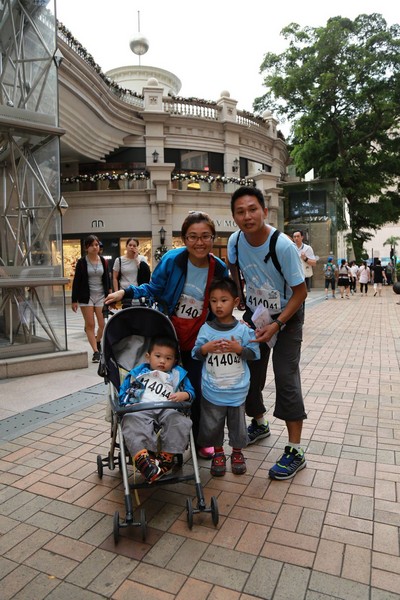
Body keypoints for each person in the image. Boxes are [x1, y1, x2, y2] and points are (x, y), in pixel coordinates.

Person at [105, 211, 229, 459]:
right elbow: (153, 289)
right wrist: (125, 293)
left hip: (199, 338)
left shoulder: (219, 268)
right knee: (164, 386)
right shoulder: (173, 261)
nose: (199, 242)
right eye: (192, 236)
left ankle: (200, 440)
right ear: (184, 239)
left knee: (198, 390)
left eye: (205, 236)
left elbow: (222, 301)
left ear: (213, 238)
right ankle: (154, 439)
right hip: (170, 334)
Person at [227, 186, 308, 481]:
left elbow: (301, 292)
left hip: (287, 316)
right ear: (234, 216)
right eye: (240, 211)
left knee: (285, 376)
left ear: (264, 211)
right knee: (249, 371)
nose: (247, 216)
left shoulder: (283, 246)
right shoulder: (235, 241)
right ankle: (259, 423)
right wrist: (238, 292)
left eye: (252, 209)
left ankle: (295, 450)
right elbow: (233, 265)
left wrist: (278, 324)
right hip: (256, 314)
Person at [192, 277, 260, 477]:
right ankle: (218, 453)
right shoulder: (206, 329)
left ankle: (237, 453)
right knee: (213, 425)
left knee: (237, 426)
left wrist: (240, 349)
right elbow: (195, 353)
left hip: (237, 390)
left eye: (224, 300)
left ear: (236, 301)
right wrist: (205, 348)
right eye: (213, 301)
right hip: (212, 390)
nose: (218, 305)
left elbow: (255, 353)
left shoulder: (243, 330)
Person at [119, 336, 194, 483]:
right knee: (130, 421)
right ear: (148, 357)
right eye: (158, 356)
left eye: (168, 358)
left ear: (174, 361)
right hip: (141, 408)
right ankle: (143, 460)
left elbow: (191, 391)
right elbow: (124, 392)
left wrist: (184, 395)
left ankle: (166, 459)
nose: (162, 361)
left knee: (180, 421)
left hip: (168, 408)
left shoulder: (177, 374)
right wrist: (127, 402)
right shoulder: (137, 373)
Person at [71, 234, 111, 363]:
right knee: (90, 325)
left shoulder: (103, 261)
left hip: (101, 296)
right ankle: (96, 352)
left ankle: (97, 341)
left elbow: (107, 279)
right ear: (86, 248)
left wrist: (110, 295)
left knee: (102, 324)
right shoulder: (82, 262)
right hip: (86, 297)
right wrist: (74, 300)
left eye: (96, 244)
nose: (95, 247)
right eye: (92, 245)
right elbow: (76, 281)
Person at [112, 238, 150, 307]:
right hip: (124, 292)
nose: (132, 247)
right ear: (126, 246)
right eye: (130, 245)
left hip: (138, 292)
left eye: (134, 246)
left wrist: (136, 258)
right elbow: (115, 277)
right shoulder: (119, 260)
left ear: (137, 247)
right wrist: (117, 293)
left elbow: (146, 274)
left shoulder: (142, 259)